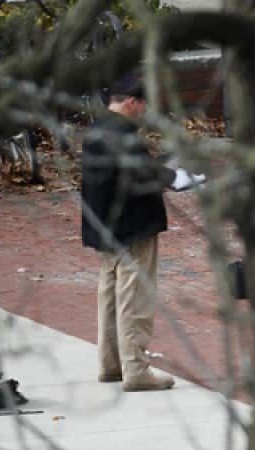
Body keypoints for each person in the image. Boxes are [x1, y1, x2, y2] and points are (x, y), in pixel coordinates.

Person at [81, 74, 177, 391]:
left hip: (105, 226)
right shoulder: (123, 133)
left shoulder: (97, 129)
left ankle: (111, 364)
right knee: (134, 298)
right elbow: (143, 172)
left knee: (109, 296)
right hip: (132, 225)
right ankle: (136, 369)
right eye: (144, 105)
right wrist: (175, 175)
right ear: (133, 102)